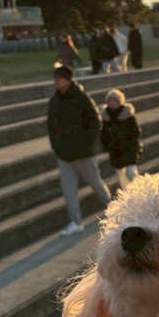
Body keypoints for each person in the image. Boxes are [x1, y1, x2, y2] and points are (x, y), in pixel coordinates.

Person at [47, 63, 111, 234]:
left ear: (68, 80)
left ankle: (114, 210)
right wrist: (56, 147)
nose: (56, 82)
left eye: (59, 79)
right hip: (64, 155)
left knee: (96, 184)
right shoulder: (54, 101)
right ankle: (76, 222)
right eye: (55, 79)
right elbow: (51, 127)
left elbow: (95, 122)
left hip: (83, 154)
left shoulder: (82, 98)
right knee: (69, 191)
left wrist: (86, 144)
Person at [101, 88, 143, 190]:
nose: (112, 103)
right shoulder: (105, 117)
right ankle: (128, 195)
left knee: (131, 173)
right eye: (110, 100)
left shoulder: (127, 114)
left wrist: (128, 142)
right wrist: (107, 146)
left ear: (120, 102)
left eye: (114, 100)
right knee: (121, 177)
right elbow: (103, 135)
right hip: (115, 151)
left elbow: (136, 132)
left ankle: (141, 191)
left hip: (129, 148)